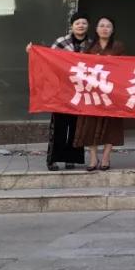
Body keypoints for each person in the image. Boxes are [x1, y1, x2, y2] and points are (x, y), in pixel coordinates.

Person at [28, 11, 91, 171]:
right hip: (61, 91)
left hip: (81, 92)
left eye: (84, 23)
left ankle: (71, 159)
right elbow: (48, 60)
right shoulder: (61, 42)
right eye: (77, 23)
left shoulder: (91, 44)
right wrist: (33, 52)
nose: (81, 26)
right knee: (59, 127)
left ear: (88, 25)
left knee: (77, 128)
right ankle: (52, 159)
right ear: (72, 26)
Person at [73, 16, 126, 171]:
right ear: (96, 29)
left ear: (112, 30)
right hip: (92, 92)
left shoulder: (118, 46)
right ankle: (93, 157)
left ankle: (106, 157)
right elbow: (78, 65)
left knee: (111, 126)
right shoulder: (88, 46)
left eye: (108, 26)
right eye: (101, 25)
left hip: (111, 92)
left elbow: (125, 68)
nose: (104, 29)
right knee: (90, 125)